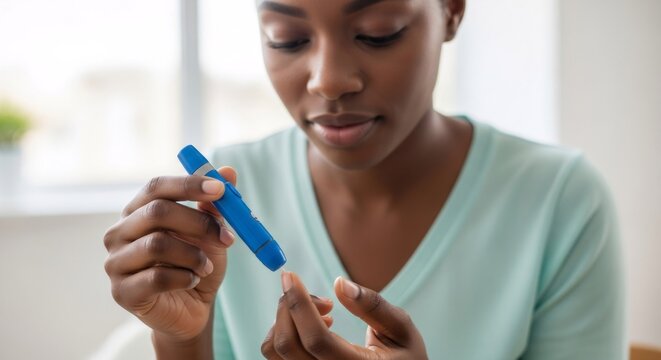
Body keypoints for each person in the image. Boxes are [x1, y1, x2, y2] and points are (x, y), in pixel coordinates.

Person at [103, 0, 626, 358]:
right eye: (286, 39)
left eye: (379, 33)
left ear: (450, 10)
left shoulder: (559, 200)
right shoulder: (217, 203)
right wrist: (178, 344)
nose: (328, 79)